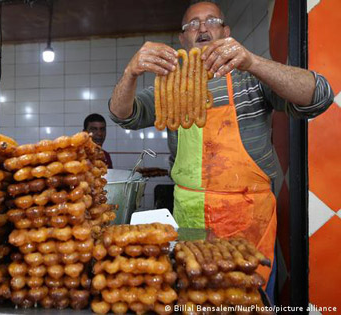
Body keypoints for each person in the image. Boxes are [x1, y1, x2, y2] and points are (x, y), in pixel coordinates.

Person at [108, 1, 334, 301]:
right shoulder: (170, 85)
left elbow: (319, 96)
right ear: (183, 39)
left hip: (249, 219)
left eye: (211, 21)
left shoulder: (251, 78)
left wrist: (252, 61)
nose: (202, 28)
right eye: (192, 24)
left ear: (226, 31)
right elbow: (122, 115)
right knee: (195, 297)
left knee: (249, 299)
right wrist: (131, 72)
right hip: (189, 217)